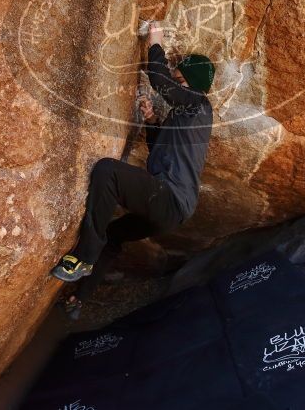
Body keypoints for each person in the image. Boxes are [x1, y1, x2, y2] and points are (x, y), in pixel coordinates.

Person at [51, 21, 215, 308]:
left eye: (181, 78)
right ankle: (80, 298)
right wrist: (152, 121)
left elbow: (160, 81)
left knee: (107, 171)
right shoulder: (185, 119)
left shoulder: (199, 105)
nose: (176, 82)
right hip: (168, 209)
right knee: (114, 235)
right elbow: (161, 153)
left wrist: (156, 41)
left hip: (170, 200)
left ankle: (85, 257)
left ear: (191, 81)